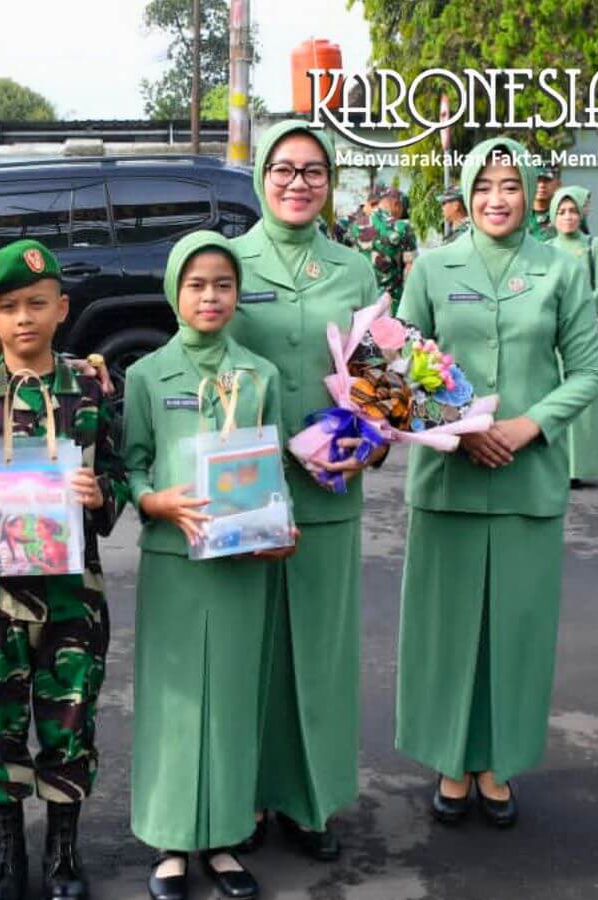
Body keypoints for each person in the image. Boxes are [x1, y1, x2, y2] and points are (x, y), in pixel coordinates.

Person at [394, 136, 598, 830]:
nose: (496, 198)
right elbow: (394, 367)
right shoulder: (431, 265)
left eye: (510, 184)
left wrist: (526, 426)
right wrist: (460, 427)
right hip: (448, 479)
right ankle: (451, 761)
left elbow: (588, 372)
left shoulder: (560, 269)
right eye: (483, 184)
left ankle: (496, 763)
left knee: (514, 631)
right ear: (464, 190)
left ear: (534, 191)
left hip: (528, 477)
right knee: (447, 632)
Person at [0, 239, 128, 900]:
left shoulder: (91, 392)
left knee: (70, 721)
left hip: (76, 595)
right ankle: (8, 857)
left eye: (37, 303)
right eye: (8, 307)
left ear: (62, 308)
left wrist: (103, 496)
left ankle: (64, 855)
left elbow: (120, 473)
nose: (23, 318)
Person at [226, 120, 381, 862]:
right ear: (261, 176)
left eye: (313, 171)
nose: (297, 182)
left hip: (328, 487)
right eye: (284, 169)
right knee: (251, 650)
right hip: (245, 491)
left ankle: (311, 799)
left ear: (330, 182)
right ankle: (249, 796)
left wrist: (370, 448)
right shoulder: (230, 259)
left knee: (318, 653)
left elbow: (382, 379)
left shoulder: (354, 268)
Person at [125, 231, 291, 900]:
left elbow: (272, 466)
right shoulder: (146, 375)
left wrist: (279, 524)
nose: (211, 296)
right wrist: (154, 501)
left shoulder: (260, 375)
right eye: (196, 284)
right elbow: (131, 464)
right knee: (174, 701)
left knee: (230, 697)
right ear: (173, 291)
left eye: (223, 284)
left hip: (242, 564)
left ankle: (222, 837)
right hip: (173, 562)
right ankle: (170, 842)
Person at [547, 185, 598, 482]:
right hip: (552, 334)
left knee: (583, 400)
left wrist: (580, 313)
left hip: (583, 332)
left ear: (583, 211)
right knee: (554, 397)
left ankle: (581, 467)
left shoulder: (596, 245)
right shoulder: (545, 249)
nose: (568, 217)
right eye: (561, 211)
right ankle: (556, 465)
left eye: (573, 211)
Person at [527, 164, 561, 242]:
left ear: (558, 185)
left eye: (547, 180)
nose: (541, 185)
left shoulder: (565, 214)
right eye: (537, 180)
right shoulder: (519, 215)